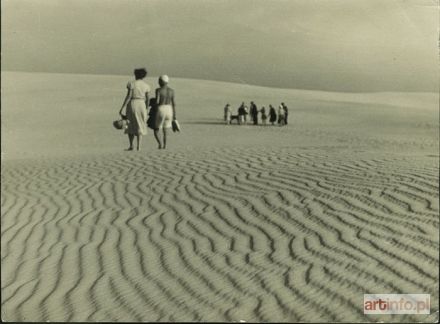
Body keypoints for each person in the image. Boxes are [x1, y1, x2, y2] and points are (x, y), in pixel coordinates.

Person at [119, 68, 150, 151]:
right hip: (141, 104)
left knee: (130, 124)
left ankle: (131, 145)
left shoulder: (131, 84)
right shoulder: (146, 85)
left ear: (135, 75)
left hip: (132, 103)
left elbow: (129, 96)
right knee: (140, 124)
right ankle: (139, 146)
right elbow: (147, 98)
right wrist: (147, 109)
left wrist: (122, 107)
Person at [153, 75, 176, 149]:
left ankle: (160, 144)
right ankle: (165, 146)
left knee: (156, 129)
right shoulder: (172, 91)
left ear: (162, 81)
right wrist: (175, 115)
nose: (158, 82)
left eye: (159, 80)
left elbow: (157, 102)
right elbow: (174, 104)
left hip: (161, 108)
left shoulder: (158, 90)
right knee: (166, 129)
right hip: (169, 109)